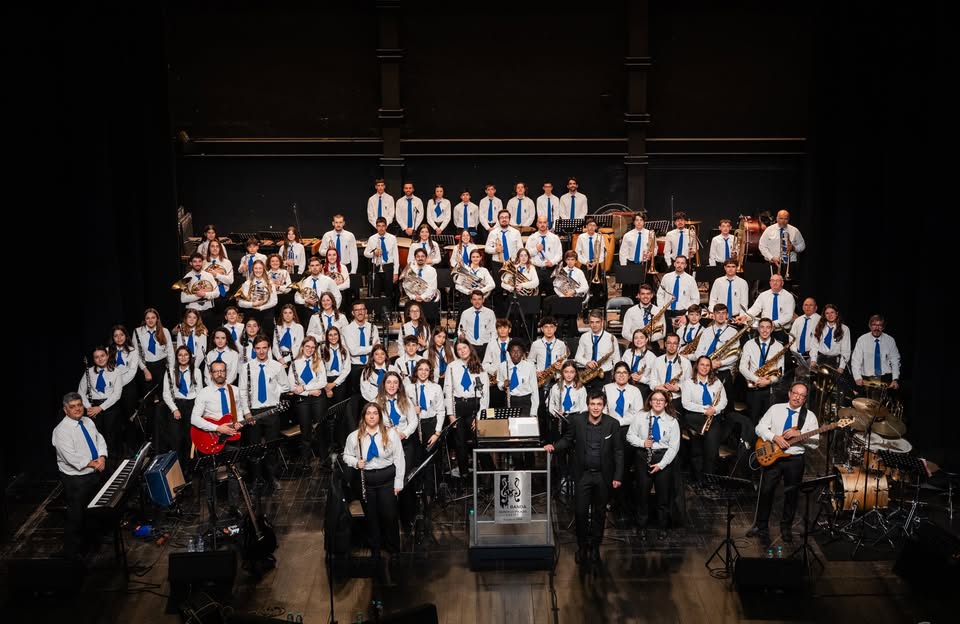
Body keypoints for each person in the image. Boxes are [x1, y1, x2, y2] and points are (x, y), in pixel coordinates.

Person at [544, 392, 622, 565]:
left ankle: (594, 548)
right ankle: (582, 547)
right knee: (580, 513)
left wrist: (617, 476)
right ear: (588, 405)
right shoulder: (577, 421)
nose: (595, 407)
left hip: (603, 476)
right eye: (592, 404)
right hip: (583, 475)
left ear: (604, 406)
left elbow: (618, 451)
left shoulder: (612, 424)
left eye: (599, 404)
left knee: (599, 513)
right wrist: (554, 447)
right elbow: (567, 440)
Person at [747, 382, 819, 546]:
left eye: (801, 396)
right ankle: (761, 526)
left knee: (792, 496)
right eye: (795, 393)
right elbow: (760, 428)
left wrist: (801, 434)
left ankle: (786, 528)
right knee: (766, 492)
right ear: (789, 393)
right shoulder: (775, 409)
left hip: (795, 460)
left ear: (805, 399)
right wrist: (774, 437)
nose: (797, 397)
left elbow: (815, 444)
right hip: (773, 456)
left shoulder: (810, 417)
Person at [342, 402, 405, 561]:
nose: (371, 416)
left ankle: (394, 549)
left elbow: (399, 459)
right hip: (366, 481)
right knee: (372, 517)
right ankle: (375, 549)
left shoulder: (390, 434)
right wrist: (356, 463)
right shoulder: (354, 436)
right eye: (368, 413)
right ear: (364, 417)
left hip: (387, 479)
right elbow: (346, 455)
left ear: (380, 416)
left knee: (390, 516)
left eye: (375, 413)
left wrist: (398, 483)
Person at [53, 392, 108, 559]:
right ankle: (73, 554)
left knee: (94, 510)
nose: (77, 409)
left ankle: (94, 543)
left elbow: (99, 439)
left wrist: (102, 456)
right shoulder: (61, 431)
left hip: (94, 472)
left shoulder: (88, 421)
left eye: (79, 405)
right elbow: (70, 457)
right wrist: (93, 463)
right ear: (65, 410)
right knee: (76, 516)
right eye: (72, 407)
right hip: (76, 479)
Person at [190, 359, 245, 515]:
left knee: (234, 472)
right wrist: (217, 427)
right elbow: (194, 419)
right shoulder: (204, 393)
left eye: (222, 370)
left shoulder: (234, 390)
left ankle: (234, 508)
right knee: (210, 476)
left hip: (231, 437)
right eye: (216, 371)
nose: (220, 374)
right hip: (211, 439)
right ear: (211, 374)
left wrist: (238, 422)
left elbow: (238, 411)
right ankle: (212, 512)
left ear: (226, 372)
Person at [626, 389, 680, 540]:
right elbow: (630, 436)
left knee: (663, 497)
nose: (657, 402)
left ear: (666, 403)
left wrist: (661, 465)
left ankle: (663, 527)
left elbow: (674, 447)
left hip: (663, 458)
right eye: (654, 399)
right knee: (642, 495)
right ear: (650, 402)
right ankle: (641, 526)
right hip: (643, 456)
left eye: (661, 400)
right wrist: (643, 442)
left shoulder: (672, 421)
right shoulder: (640, 417)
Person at [238, 334, 290, 492]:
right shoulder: (246, 367)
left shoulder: (276, 366)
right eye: (258, 348)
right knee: (254, 448)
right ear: (254, 349)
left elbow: (286, 386)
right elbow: (242, 392)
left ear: (268, 348)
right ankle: (256, 479)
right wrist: (247, 413)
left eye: (264, 348)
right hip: (253, 412)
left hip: (271, 410)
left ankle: (272, 478)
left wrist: (274, 391)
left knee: (272, 447)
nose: (261, 351)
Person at [444, 340, 488, 482]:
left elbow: (485, 395)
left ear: (470, 349)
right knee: (460, 442)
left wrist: (480, 416)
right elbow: (448, 391)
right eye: (459, 349)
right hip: (458, 405)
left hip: (474, 406)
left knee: (478, 441)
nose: (462, 351)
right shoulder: (451, 367)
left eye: (464, 348)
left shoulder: (480, 367)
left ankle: (488, 475)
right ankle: (464, 474)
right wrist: (450, 414)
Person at [681, 355, 728, 482]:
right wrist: (704, 410)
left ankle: (709, 480)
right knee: (696, 451)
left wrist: (715, 410)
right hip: (695, 418)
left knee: (711, 452)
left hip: (713, 418)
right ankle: (698, 479)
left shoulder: (717, 382)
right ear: (697, 366)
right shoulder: (688, 383)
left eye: (708, 365)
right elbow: (686, 403)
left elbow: (724, 400)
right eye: (702, 364)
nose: (705, 367)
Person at [79, 346, 123, 462]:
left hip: (110, 406)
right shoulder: (88, 372)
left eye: (102, 356)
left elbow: (117, 394)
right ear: (94, 359)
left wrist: (101, 408)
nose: (100, 359)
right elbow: (81, 391)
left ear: (107, 356)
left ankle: (112, 466)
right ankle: (100, 466)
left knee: (111, 438)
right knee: (97, 437)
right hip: (93, 407)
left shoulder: (116, 371)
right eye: (96, 357)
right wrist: (89, 407)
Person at [288, 336, 328, 463]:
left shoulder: (319, 361)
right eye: (307, 346)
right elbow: (292, 386)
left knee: (321, 429)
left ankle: (323, 459)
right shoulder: (294, 363)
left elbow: (323, 382)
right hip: (302, 401)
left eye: (312, 347)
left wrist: (305, 387)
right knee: (305, 430)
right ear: (302, 347)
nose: (310, 349)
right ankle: (305, 461)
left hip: (318, 400)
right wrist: (309, 392)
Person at [739, 318, 785, 426]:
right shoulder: (749, 344)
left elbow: (781, 371)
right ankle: (750, 442)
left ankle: (764, 443)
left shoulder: (779, 346)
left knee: (767, 422)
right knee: (752, 419)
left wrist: (769, 381)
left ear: (772, 329)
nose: (765, 330)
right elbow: (742, 367)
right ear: (758, 329)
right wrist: (757, 379)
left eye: (768, 327)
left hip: (770, 390)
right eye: (762, 327)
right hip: (753, 388)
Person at [161, 346, 203, 460]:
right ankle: (179, 468)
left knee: (190, 438)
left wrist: (197, 411)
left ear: (190, 356)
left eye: (186, 355)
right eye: (180, 355)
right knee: (177, 439)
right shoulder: (170, 372)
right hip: (177, 405)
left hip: (192, 406)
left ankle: (191, 469)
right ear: (176, 357)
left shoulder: (197, 371)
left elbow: (200, 393)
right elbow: (166, 393)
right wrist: (174, 409)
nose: (183, 357)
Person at [543, 250, 589, 339]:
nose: (570, 261)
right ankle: (559, 339)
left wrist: (574, 291)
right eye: (568, 259)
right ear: (565, 260)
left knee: (572, 321)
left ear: (576, 261)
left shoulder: (579, 272)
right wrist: (563, 295)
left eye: (572, 259)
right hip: (562, 299)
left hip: (574, 299)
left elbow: (585, 287)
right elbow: (556, 286)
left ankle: (571, 340)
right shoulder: (561, 271)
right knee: (559, 322)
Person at [851, 314, 901, 391]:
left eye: (879, 325)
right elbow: (856, 361)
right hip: (867, 379)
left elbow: (895, 361)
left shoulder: (890, 340)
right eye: (874, 325)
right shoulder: (862, 340)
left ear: (883, 327)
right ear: (870, 326)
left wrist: (895, 379)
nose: (877, 328)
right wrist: (857, 377)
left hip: (885, 378)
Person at [574, 309, 621, 392]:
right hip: (588, 374)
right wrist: (587, 362)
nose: (594, 325)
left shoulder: (611, 338)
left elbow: (617, 360)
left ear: (602, 322)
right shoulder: (584, 337)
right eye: (592, 322)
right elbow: (577, 357)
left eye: (597, 322)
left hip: (604, 374)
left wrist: (614, 377)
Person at [319, 214, 359, 307]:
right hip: (331, 267)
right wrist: (329, 251)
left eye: (340, 222)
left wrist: (353, 271)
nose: (338, 224)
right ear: (333, 223)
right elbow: (321, 251)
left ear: (343, 223)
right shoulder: (327, 235)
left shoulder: (350, 235)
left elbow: (354, 254)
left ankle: (347, 314)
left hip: (345, 266)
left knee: (347, 294)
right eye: (336, 222)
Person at [739, 273, 795, 339]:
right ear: (770, 283)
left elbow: (788, 316)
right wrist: (745, 316)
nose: (775, 283)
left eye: (777, 281)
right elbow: (755, 309)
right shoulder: (763, 295)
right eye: (772, 280)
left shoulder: (788, 297)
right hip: (764, 331)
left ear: (782, 283)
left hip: (781, 331)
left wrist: (773, 324)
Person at [648, 333, 691, 414]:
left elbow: (689, 385)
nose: (672, 346)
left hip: (676, 398)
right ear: (665, 344)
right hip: (658, 396)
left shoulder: (686, 363)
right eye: (669, 343)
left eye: (675, 343)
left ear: (678, 345)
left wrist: (678, 388)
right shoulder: (657, 361)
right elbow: (652, 381)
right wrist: (656, 387)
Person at [343, 301, 380, 391]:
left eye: (362, 309)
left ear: (366, 311)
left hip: (370, 365)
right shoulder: (347, 329)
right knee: (356, 396)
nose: (360, 312)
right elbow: (353, 351)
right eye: (357, 310)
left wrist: (373, 348)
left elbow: (377, 348)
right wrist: (371, 348)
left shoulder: (373, 328)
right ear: (353, 313)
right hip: (355, 367)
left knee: (372, 392)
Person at [236, 259, 278, 338]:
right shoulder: (247, 283)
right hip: (251, 312)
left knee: (266, 337)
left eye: (260, 268)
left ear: (264, 269)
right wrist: (253, 304)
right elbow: (240, 303)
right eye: (256, 268)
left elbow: (274, 301)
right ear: (252, 269)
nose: (258, 270)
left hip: (266, 313)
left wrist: (261, 307)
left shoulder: (270, 283)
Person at [107, 325, 140, 427]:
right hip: (112, 387)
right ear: (112, 338)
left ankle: (132, 441)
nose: (119, 338)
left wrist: (119, 384)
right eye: (116, 336)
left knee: (129, 416)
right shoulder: (107, 351)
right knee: (116, 417)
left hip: (128, 386)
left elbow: (132, 371)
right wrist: (114, 385)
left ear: (126, 336)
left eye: (121, 335)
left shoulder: (133, 351)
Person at [758, 210, 806, 278]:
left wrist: (793, 248)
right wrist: (771, 258)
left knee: (788, 287)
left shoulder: (794, 231)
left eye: (785, 219)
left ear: (788, 219)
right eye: (781, 218)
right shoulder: (769, 230)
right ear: (777, 218)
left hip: (789, 264)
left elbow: (802, 246)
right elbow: (762, 246)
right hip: (773, 264)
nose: (783, 221)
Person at [618, 212, 655, 299]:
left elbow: (655, 248)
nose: (639, 222)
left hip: (645, 264)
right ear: (634, 222)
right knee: (631, 290)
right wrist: (624, 268)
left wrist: (651, 254)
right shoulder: (627, 235)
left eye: (641, 220)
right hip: (632, 264)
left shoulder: (650, 234)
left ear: (644, 222)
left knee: (646, 288)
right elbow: (623, 252)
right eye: (637, 220)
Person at [295, 256, 341, 326]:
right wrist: (305, 301)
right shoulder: (305, 282)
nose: (315, 268)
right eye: (312, 265)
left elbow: (338, 296)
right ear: (309, 267)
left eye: (317, 265)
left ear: (321, 266)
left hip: (325, 311)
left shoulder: (328, 281)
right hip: (309, 312)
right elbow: (296, 298)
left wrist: (333, 311)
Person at [363, 217, 400, 305]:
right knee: (376, 292)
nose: (381, 228)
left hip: (388, 266)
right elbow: (365, 253)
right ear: (376, 227)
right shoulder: (372, 238)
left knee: (389, 292)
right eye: (379, 226)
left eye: (383, 226)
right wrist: (374, 253)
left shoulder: (392, 238)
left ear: (386, 226)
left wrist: (395, 272)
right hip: (376, 266)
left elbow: (396, 256)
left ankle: (389, 312)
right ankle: (377, 314)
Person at [497, 340, 539, 415]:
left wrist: (533, 412)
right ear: (509, 353)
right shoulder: (503, 366)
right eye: (513, 351)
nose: (516, 354)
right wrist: (503, 385)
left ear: (523, 353)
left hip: (525, 401)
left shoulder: (530, 367)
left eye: (519, 351)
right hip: (509, 400)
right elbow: (499, 382)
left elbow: (534, 391)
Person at [525, 214, 562, 296]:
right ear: (537, 224)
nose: (542, 224)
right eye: (540, 222)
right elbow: (526, 254)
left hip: (550, 271)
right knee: (535, 295)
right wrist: (536, 250)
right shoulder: (531, 238)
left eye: (544, 222)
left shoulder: (554, 238)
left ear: (547, 224)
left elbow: (559, 254)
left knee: (551, 295)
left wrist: (552, 262)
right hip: (536, 270)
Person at [657, 255, 699, 327]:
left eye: (682, 263)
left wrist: (686, 315)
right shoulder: (666, 277)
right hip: (667, 311)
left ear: (685, 265)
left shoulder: (691, 280)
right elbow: (660, 294)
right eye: (678, 262)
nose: (679, 265)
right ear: (674, 264)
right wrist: (661, 310)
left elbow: (695, 300)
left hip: (682, 313)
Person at [481, 318, 514, 408]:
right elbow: (484, 364)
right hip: (496, 381)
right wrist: (494, 371)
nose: (502, 330)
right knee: (495, 408)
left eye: (505, 327)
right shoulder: (491, 344)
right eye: (500, 328)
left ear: (509, 330)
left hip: (512, 380)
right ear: (497, 330)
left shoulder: (514, 343)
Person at [621, 283, 665, 348]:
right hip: (634, 344)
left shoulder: (658, 311)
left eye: (648, 294)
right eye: (643, 294)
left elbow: (662, 333)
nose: (645, 296)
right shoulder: (630, 311)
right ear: (638, 295)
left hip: (652, 344)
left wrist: (648, 339)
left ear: (652, 295)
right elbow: (625, 333)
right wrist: (637, 340)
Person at [575, 217, 607, 309]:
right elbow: (578, 253)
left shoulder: (600, 237)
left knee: (596, 289)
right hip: (585, 266)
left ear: (596, 227)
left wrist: (596, 261)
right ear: (586, 226)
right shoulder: (581, 237)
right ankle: (585, 310)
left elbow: (603, 253)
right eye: (589, 225)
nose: (591, 227)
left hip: (596, 266)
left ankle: (594, 309)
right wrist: (586, 262)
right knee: (585, 289)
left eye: (593, 225)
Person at [179, 252, 218, 326]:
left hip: (208, 311)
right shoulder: (186, 278)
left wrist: (205, 294)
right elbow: (183, 299)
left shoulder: (209, 276)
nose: (197, 264)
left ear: (202, 262)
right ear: (191, 263)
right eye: (195, 261)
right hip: (193, 312)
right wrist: (199, 295)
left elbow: (217, 293)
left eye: (200, 261)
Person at [809, 303, 851, 372]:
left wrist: (841, 367)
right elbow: (814, 345)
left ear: (836, 313)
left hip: (835, 362)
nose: (830, 315)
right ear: (824, 315)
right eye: (827, 313)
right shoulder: (819, 327)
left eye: (832, 312)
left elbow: (846, 350)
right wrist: (813, 360)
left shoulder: (844, 329)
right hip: (820, 360)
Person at [457, 290, 497, 359]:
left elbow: (494, 331)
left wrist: (492, 346)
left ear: (483, 300)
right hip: (471, 345)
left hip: (486, 345)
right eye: (474, 299)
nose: (477, 302)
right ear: (471, 301)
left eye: (479, 299)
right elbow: (461, 329)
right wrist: (461, 335)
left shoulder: (490, 313)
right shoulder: (465, 313)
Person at [202, 239, 235, 315]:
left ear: (220, 249)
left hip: (222, 295)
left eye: (217, 246)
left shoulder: (227, 262)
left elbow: (230, 281)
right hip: (209, 295)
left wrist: (216, 275)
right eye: (212, 246)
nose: (215, 248)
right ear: (209, 248)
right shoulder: (204, 262)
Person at [402, 248, 440, 313]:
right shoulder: (411, 270)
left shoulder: (432, 270)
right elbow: (406, 286)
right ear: (415, 258)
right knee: (408, 306)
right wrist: (414, 297)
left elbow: (433, 288)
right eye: (418, 256)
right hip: (414, 298)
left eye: (422, 256)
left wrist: (422, 297)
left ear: (426, 258)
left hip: (427, 298)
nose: (420, 258)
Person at [621, 329, 656, 395]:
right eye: (636, 338)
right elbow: (620, 369)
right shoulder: (627, 353)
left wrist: (642, 379)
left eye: (641, 338)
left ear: (646, 340)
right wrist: (628, 376)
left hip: (643, 388)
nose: (638, 340)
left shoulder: (652, 357)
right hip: (626, 385)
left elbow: (654, 380)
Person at [272, 304, 304, 368]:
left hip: (293, 359)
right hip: (279, 359)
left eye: (290, 313)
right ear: (282, 315)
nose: (287, 315)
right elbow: (275, 346)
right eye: (285, 313)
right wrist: (279, 359)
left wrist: (285, 360)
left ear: (294, 315)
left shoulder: (299, 328)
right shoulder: (278, 327)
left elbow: (298, 347)